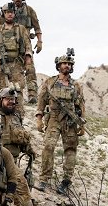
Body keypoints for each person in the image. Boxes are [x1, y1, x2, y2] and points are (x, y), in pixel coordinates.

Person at [35, 50, 85, 194]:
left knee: (70, 150)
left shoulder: (76, 86)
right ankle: (44, 179)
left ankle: (66, 181)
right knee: (48, 147)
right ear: (58, 65)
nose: (66, 66)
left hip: (70, 122)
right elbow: (41, 101)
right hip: (54, 119)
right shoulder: (50, 82)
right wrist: (39, 119)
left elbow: (81, 106)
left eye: (69, 64)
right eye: (64, 63)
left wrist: (81, 124)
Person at [0, 0, 43, 104]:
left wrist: (39, 41)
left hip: (25, 42)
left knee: (29, 67)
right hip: (8, 44)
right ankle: (5, 94)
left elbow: (37, 27)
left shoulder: (29, 10)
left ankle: (32, 95)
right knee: (6, 69)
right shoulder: (7, 10)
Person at [0, 2, 32, 116]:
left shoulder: (21, 29)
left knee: (17, 90)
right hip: (1, 65)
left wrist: (28, 62)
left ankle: (18, 116)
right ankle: (0, 117)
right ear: (4, 14)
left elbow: (28, 46)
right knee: (0, 90)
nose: (10, 15)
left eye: (11, 12)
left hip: (16, 64)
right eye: (7, 12)